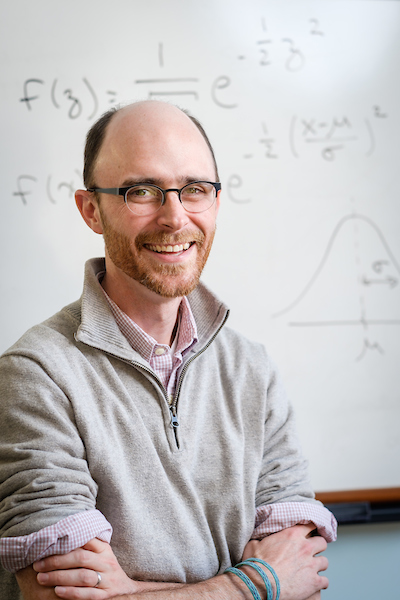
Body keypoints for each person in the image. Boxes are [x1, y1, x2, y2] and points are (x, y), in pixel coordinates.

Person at [0, 101, 336, 600]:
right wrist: (252, 585)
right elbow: (56, 596)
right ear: (91, 209)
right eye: (142, 191)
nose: (175, 217)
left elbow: (302, 572)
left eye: (195, 189)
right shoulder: (35, 375)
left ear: (216, 201)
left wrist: (131, 590)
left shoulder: (252, 369)